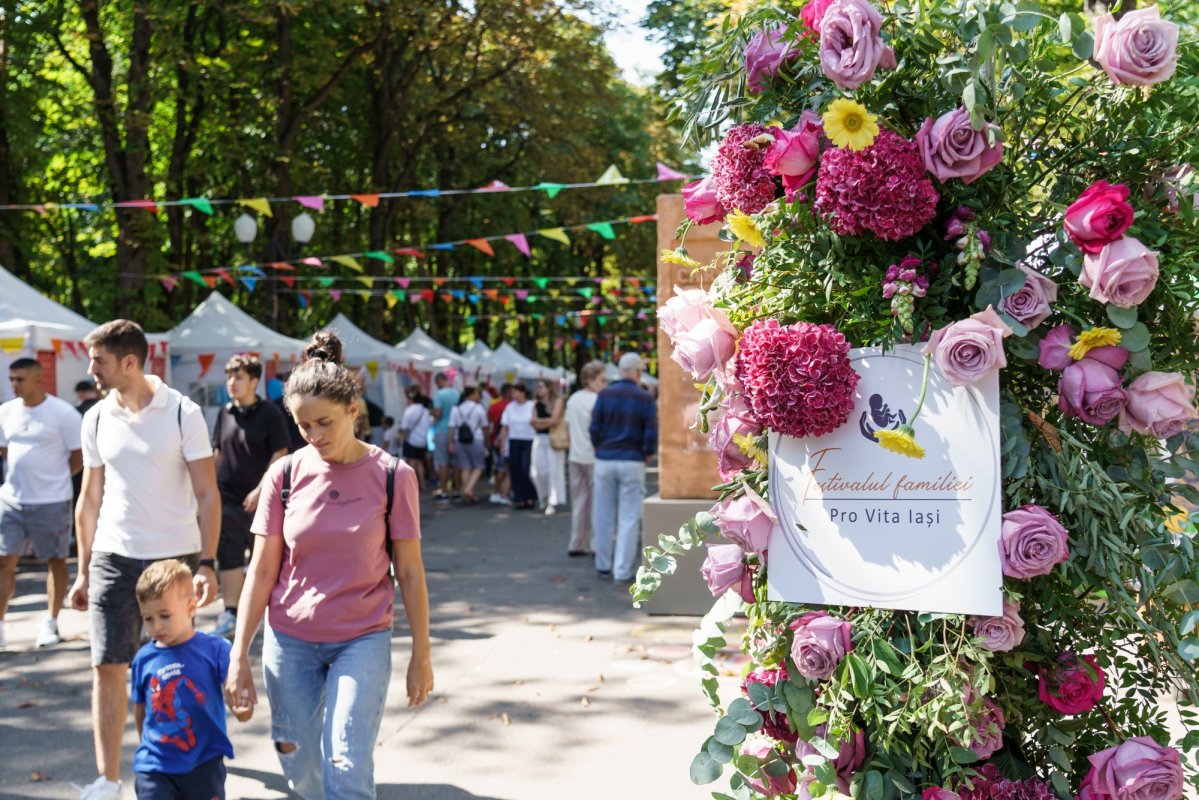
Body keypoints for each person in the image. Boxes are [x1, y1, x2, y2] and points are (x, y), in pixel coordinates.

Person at [225, 331, 432, 799]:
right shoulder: (285, 473)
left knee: (346, 762)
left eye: (325, 423)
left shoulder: (393, 475)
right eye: (303, 426)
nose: (314, 436)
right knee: (296, 758)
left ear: (353, 412)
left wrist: (421, 652)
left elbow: (411, 573)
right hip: (290, 640)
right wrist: (239, 654)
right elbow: (260, 571)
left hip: (362, 638)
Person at [69, 319, 220, 800]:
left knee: (171, 666)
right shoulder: (94, 417)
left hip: (173, 557)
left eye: (100, 361)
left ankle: (168, 764)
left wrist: (209, 562)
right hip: (113, 557)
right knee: (108, 665)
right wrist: (82, 568)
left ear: (129, 362)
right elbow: (89, 498)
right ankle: (108, 780)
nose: (91, 369)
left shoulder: (183, 412)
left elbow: (207, 492)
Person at [131, 559, 252, 800]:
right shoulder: (144, 659)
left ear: (191, 608)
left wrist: (242, 706)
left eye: (164, 615)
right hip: (155, 766)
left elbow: (235, 687)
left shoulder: (214, 649)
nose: (156, 626)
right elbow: (140, 709)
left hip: (204, 762)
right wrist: (146, 746)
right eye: (148, 618)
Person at [0, 357, 83, 649]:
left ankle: (51, 621)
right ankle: (0, 624)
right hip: (12, 500)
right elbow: (4, 451)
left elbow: (78, 456)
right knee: (4, 561)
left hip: (52, 500)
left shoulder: (63, 414)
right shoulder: (6, 412)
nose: (13, 385)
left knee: (56, 561)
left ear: (38, 380)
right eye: (11, 379)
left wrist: (54, 479)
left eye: (19, 379)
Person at [210, 354, 290, 639]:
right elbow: (217, 453)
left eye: (239, 377)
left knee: (267, 559)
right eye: (229, 376)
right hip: (228, 497)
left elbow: (280, 454)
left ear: (255, 381)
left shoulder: (270, 413)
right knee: (228, 556)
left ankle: (272, 613)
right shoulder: (224, 412)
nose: (232, 382)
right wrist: (206, 489)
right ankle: (230, 611)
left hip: (264, 500)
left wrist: (261, 490)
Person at [589, 353, 657, 583]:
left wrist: (601, 447)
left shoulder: (604, 394)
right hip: (632, 460)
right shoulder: (645, 398)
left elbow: (594, 428)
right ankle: (622, 570)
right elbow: (650, 433)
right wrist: (647, 453)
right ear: (638, 372)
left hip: (605, 458)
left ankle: (602, 565)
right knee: (629, 518)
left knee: (603, 514)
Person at [565, 362, 607, 557]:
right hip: (594, 456)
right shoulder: (597, 400)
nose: (604, 384)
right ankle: (596, 544)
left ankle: (575, 542)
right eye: (602, 380)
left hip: (575, 456)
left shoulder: (573, 399)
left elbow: (567, 427)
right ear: (590, 380)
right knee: (597, 503)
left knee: (579, 501)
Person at [530, 379, 567, 516]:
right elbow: (533, 422)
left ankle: (552, 500)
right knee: (537, 472)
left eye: (541, 386)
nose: (538, 389)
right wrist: (546, 422)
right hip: (539, 439)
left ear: (548, 389)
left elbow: (554, 421)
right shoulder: (535, 404)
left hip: (553, 439)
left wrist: (540, 422)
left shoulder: (557, 402)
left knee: (553, 470)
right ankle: (543, 496)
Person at [498, 384, 537, 509]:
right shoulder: (509, 407)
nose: (513, 395)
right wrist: (503, 444)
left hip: (529, 439)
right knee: (515, 470)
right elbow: (505, 426)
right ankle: (520, 498)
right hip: (514, 440)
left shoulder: (531, 406)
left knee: (525, 469)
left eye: (515, 392)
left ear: (523, 392)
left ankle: (530, 496)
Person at [447, 386, 488, 503]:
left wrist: (450, 443)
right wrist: (487, 440)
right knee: (479, 467)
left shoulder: (456, 408)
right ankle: (469, 489)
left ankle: (467, 490)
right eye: (477, 393)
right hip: (476, 439)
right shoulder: (478, 408)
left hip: (459, 440)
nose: (478, 396)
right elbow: (485, 426)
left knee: (465, 467)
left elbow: (451, 427)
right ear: (471, 394)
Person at [430, 372, 460, 502]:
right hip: (456, 431)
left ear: (438, 382)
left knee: (443, 462)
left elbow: (437, 414)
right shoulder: (457, 393)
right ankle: (457, 490)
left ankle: (444, 491)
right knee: (455, 463)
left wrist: (432, 412)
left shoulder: (439, 394)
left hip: (442, 430)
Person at [399, 386, 434, 492]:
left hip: (411, 440)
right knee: (420, 463)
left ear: (410, 399)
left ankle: (409, 487)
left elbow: (404, 427)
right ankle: (423, 484)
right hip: (422, 440)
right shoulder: (425, 410)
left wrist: (400, 437)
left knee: (412, 463)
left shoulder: (409, 410)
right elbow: (428, 424)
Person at [487, 383, 513, 505]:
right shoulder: (510, 406)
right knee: (505, 468)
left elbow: (489, 421)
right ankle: (502, 492)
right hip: (504, 440)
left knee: (500, 468)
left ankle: (499, 492)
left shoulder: (494, 406)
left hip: (496, 440)